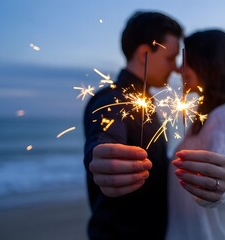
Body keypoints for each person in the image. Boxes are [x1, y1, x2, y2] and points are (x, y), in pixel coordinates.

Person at [83, 11, 183, 239]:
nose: (176, 68)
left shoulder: (146, 101)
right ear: (145, 53)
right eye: (171, 58)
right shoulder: (111, 100)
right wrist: (99, 157)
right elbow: (105, 136)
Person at [166, 29, 225, 240]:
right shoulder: (209, 117)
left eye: (185, 60)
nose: (179, 69)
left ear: (208, 64)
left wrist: (219, 188)